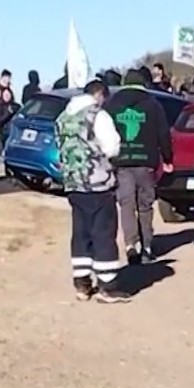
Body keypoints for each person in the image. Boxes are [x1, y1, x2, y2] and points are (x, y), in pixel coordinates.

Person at [54, 79, 127, 303]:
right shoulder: (98, 115)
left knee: (81, 233)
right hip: (98, 183)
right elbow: (112, 147)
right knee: (103, 233)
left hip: (73, 184)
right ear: (100, 95)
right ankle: (107, 286)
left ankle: (82, 284)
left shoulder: (63, 117)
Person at [104, 69, 173, 264]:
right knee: (145, 205)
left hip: (122, 161)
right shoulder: (153, 104)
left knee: (126, 204)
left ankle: (130, 244)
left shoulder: (112, 104)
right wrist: (168, 159)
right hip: (146, 161)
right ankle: (147, 246)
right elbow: (163, 134)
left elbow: (103, 131)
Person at [0, 84, 20, 161]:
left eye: (8, 94)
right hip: (3, 131)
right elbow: (0, 119)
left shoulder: (16, 106)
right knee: (2, 148)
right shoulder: (0, 106)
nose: (7, 96)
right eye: (5, 95)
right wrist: (8, 112)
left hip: (13, 131)